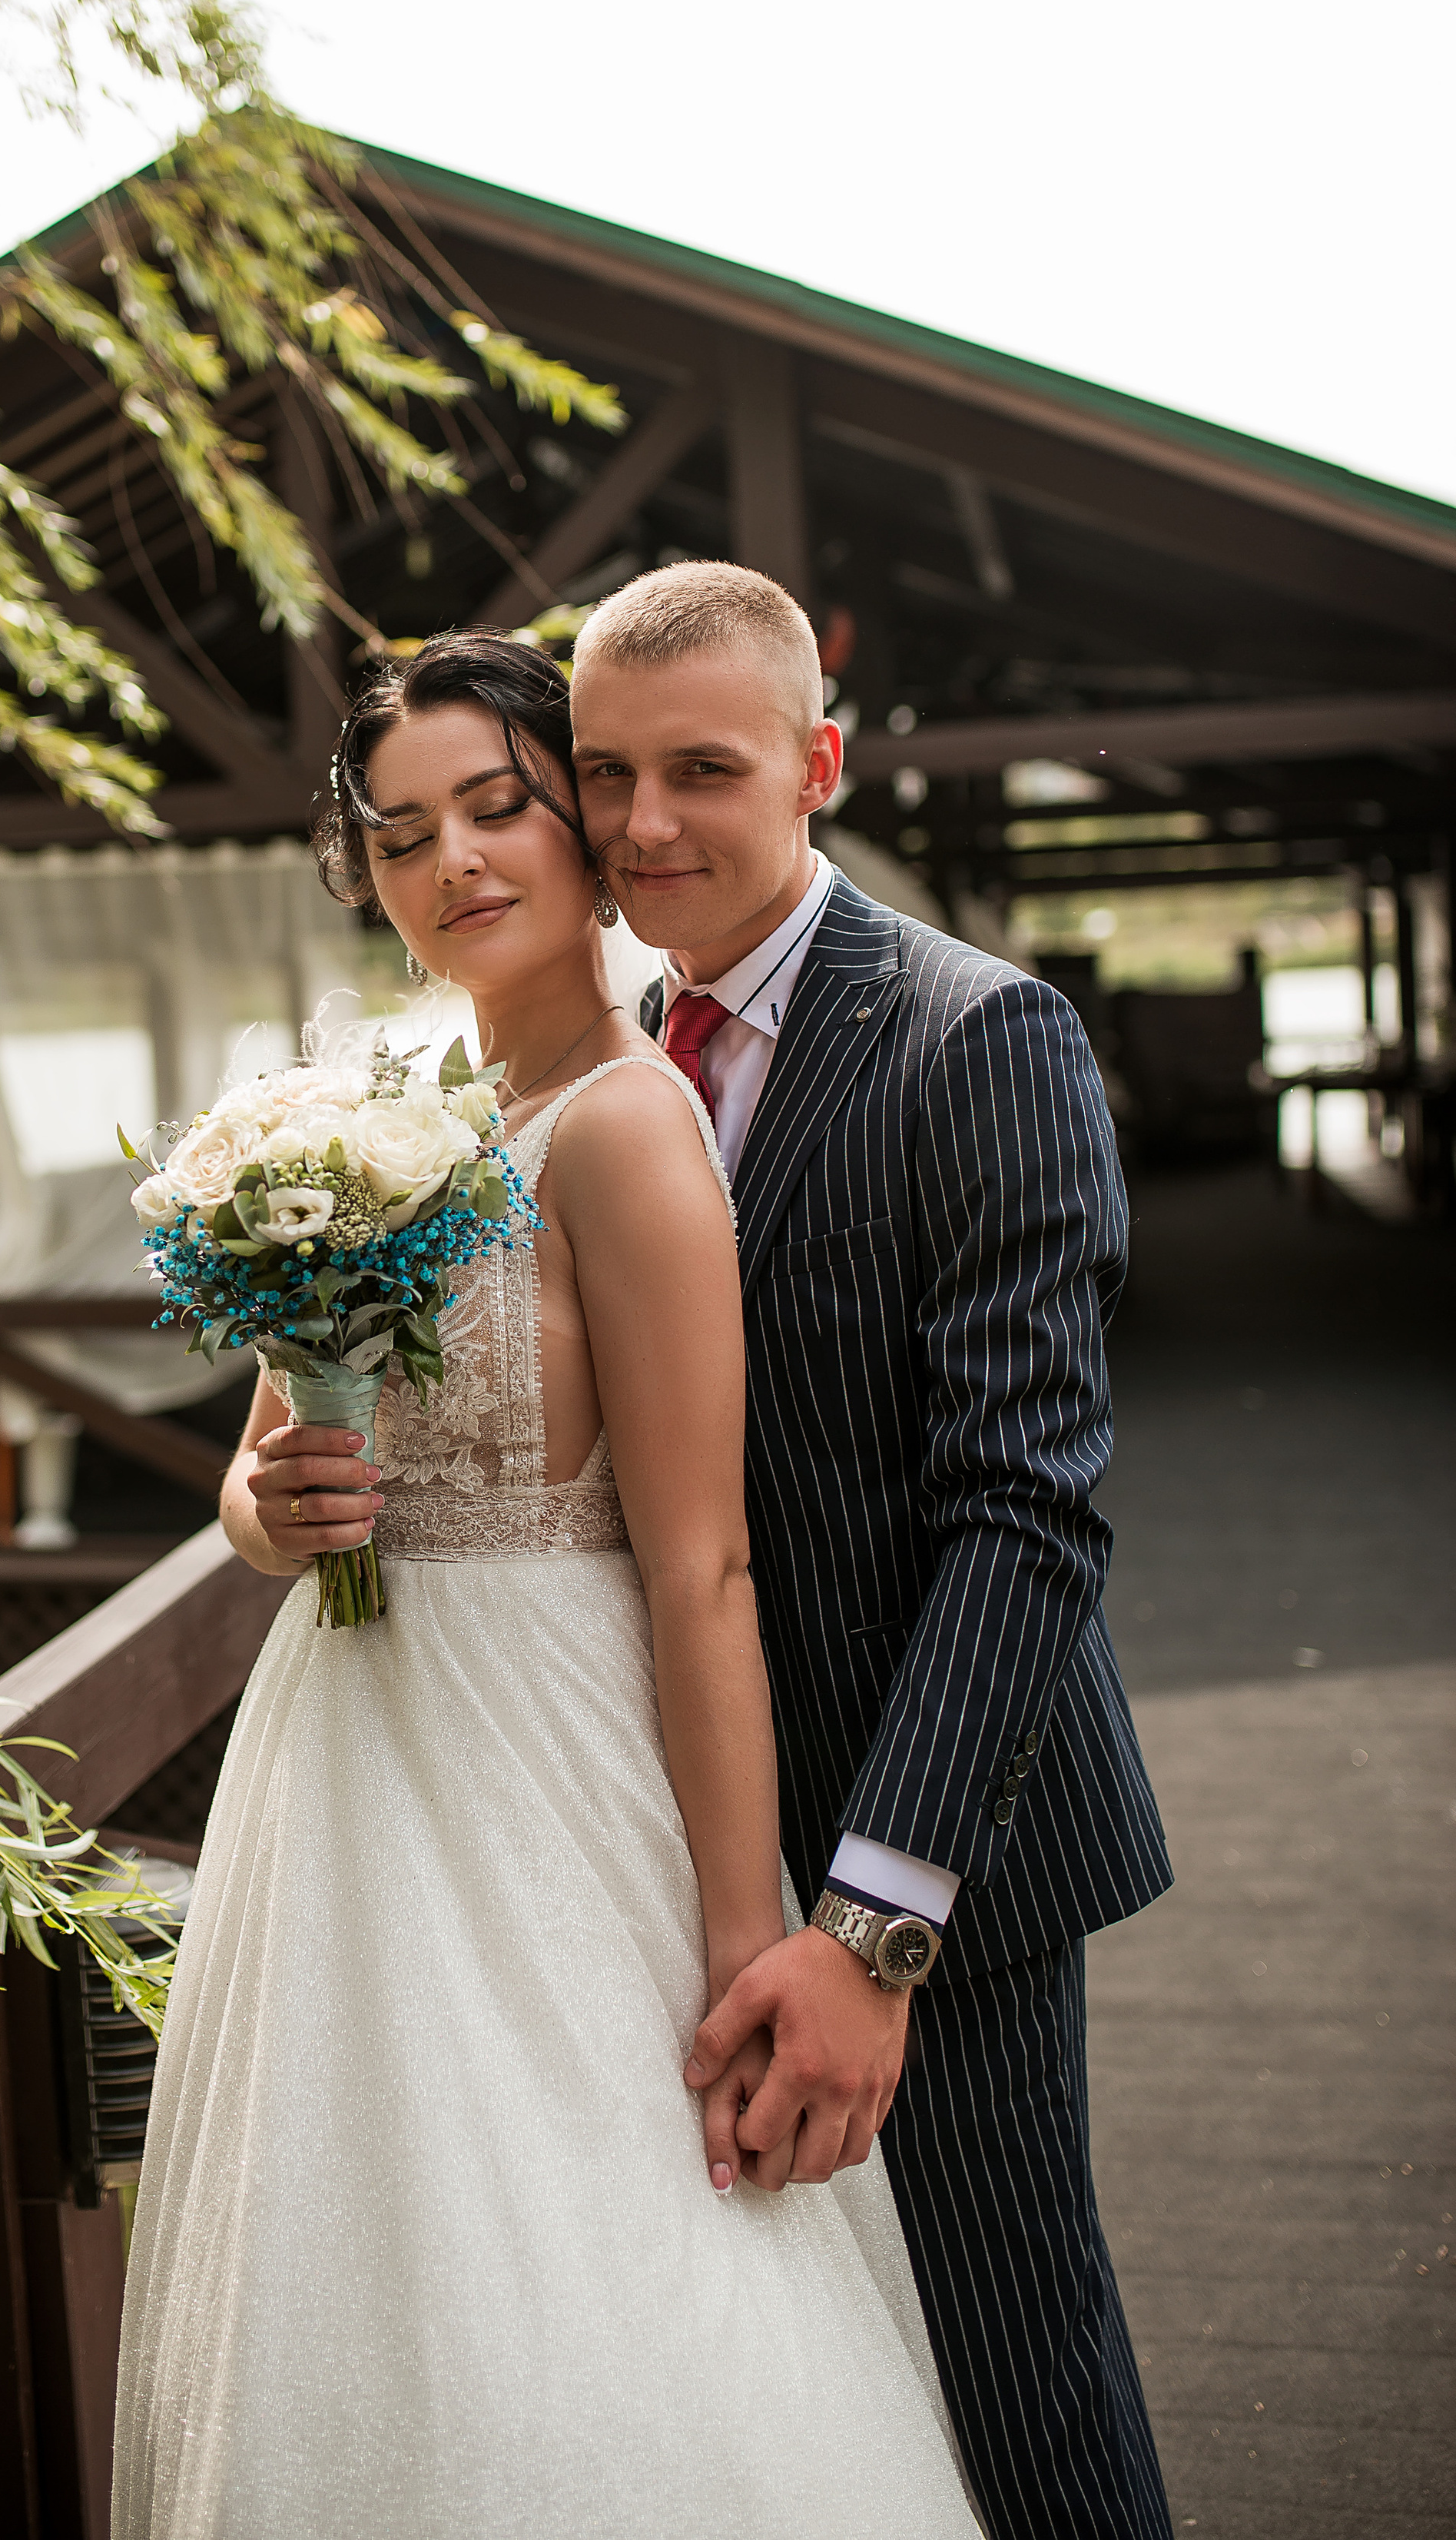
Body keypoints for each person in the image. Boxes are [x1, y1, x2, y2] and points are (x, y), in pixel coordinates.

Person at [111, 630, 982, 2538]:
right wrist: (283, 1507)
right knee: (361, 2237)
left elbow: (702, 1568)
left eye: (498, 808)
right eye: (403, 831)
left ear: (580, 821)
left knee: (597, 2226)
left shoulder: (625, 1125)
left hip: (551, 1760)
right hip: (346, 1773)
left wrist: (746, 1932)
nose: (455, 865)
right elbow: (255, 1487)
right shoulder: (380, 1123)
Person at [567, 563, 1175, 2540]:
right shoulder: (581, 1063)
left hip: (938, 1863)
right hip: (649, 1855)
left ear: (818, 763)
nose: (642, 826)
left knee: (1009, 2370)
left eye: (701, 771)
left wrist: (871, 1930)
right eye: (601, 775)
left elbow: (1024, 1519)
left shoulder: (972, 1039)